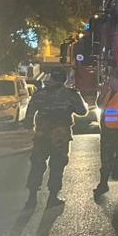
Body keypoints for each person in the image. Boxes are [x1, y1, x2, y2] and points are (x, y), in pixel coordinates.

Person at [24, 69, 89, 207]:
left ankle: (31, 197)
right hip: (60, 135)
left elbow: (29, 114)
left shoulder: (40, 93)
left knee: (37, 164)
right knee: (57, 165)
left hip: (42, 134)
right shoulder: (71, 94)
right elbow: (82, 111)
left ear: (52, 78)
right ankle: (53, 197)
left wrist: (30, 125)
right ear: (64, 80)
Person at [93, 69, 118, 199]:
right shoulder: (109, 91)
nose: (109, 82)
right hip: (107, 131)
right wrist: (103, 93)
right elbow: (100, 106)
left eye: (111, 79)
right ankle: (103, 184)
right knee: (106, 159)